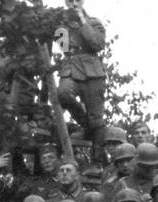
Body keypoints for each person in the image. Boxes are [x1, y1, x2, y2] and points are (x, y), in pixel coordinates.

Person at [57, 0, 108, 156]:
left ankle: (98, 161)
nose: (74, 4)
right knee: (63, 93)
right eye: (70, 1)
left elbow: (97, 45)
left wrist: (82, 21)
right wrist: (62, 25)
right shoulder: (61, 23)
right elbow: (64, 48)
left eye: (77, 0)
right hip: (71, 69)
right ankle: (86, 125)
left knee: (96, 119)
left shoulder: (94, 22)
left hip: (93, 71)